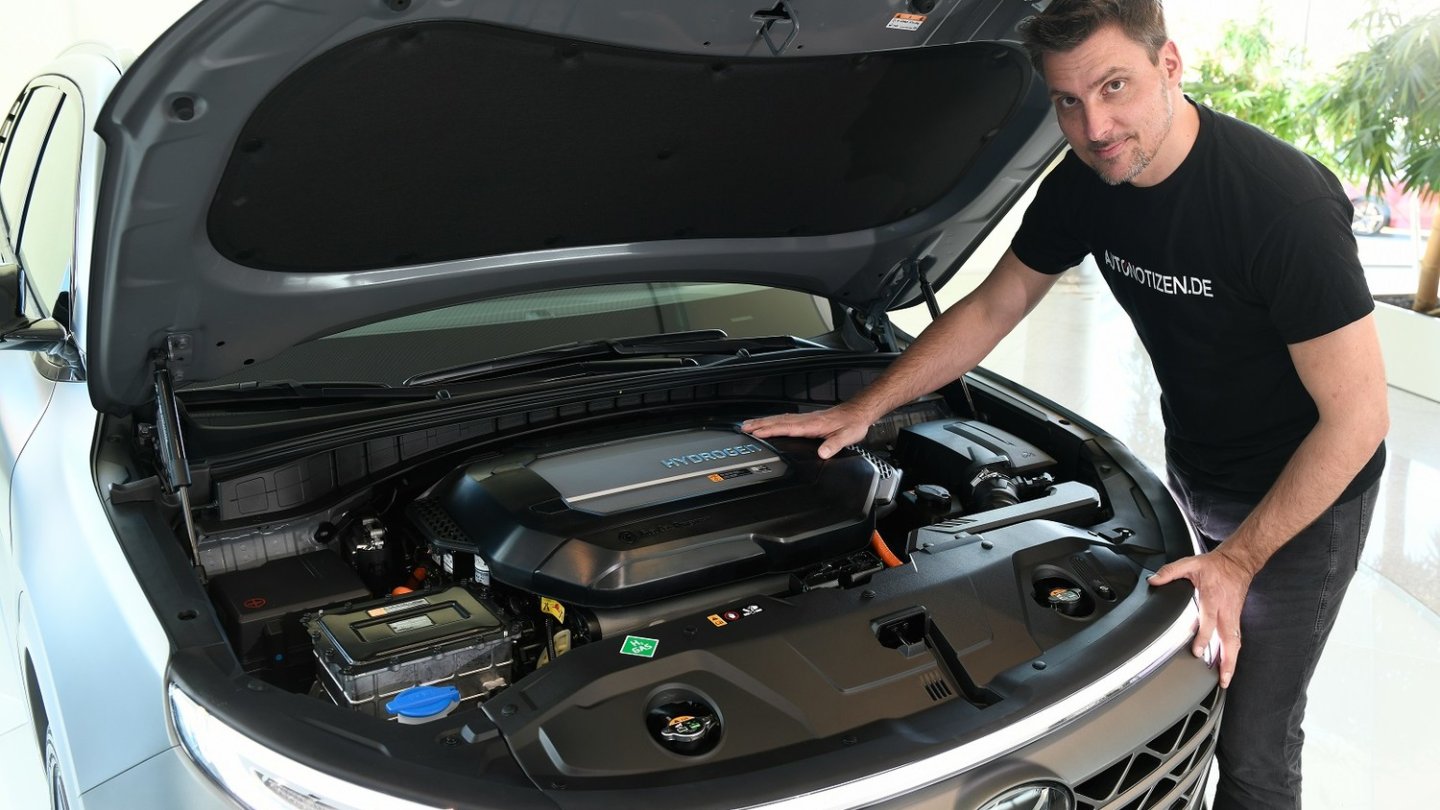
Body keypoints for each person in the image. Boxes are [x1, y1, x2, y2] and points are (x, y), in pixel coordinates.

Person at [742, 1, 1388, 807]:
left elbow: (1359, 419)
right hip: (1197, 465)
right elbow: (996, 303)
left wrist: (1237, 561)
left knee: (1254, 738)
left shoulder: (1279, 205)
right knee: (1183, 689)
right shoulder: (1086, 184)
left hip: (1305, 500)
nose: (1097, 124)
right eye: (1068, 102)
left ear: (1171, 66)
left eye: (1115, 85)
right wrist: (865, 408)